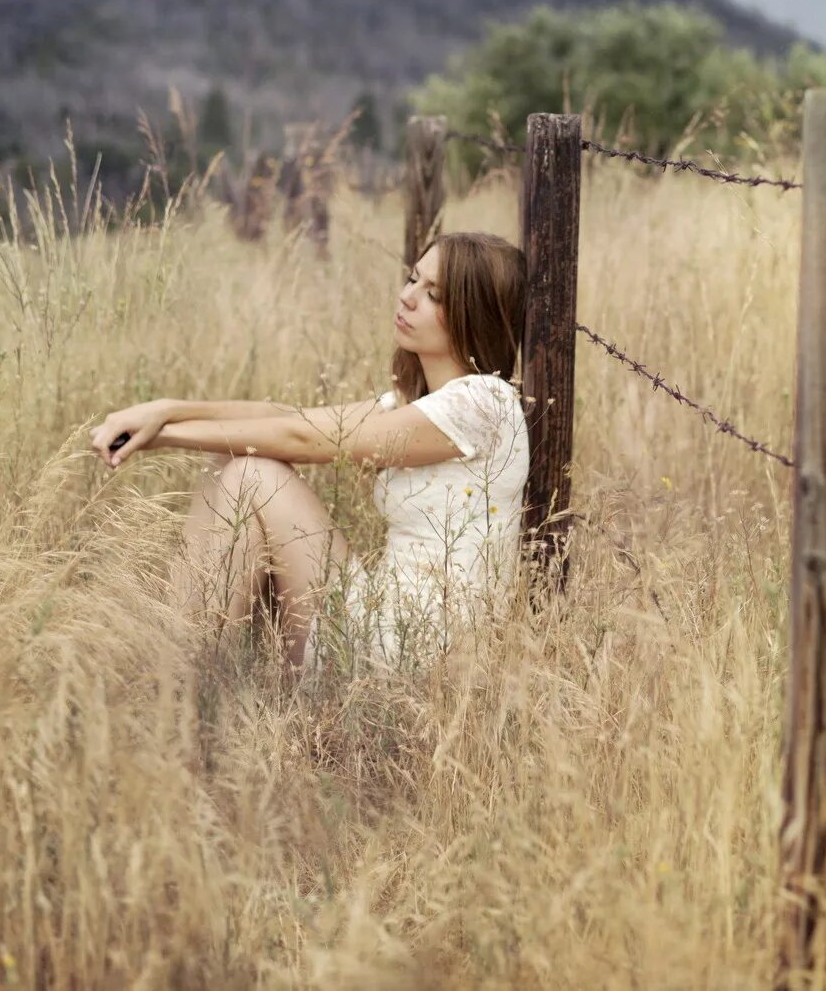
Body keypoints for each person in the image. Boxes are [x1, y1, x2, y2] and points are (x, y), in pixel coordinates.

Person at [89, 232, 530, 677]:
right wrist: (167, 412)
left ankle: (175, 673)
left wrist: (163, 437)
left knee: (250, 473)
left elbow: (302, 439)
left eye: (432, 294)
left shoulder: (482, 403)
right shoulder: (427, 403)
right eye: (412, 279)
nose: (407, 297)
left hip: (418, 646)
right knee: (234, 462)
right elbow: (286, 416)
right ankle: (178, 664)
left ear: (476, 315)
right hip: (388, 613)